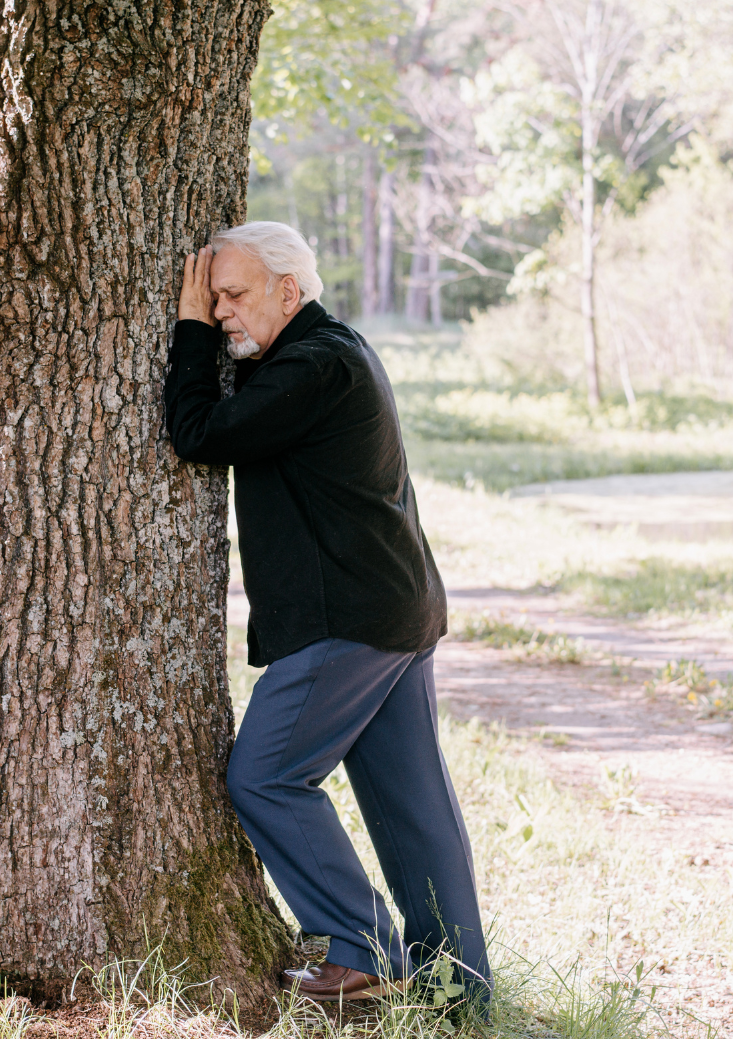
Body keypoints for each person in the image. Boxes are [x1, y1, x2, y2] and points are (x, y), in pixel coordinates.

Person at [162, 222, 490, 1005]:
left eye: (234, 296)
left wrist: (187, 331)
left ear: (288, 288)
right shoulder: (331, 350)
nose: (223, 314)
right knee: (414, 809)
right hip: (394, 606)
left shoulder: (313, 365)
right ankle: (460, 994)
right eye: (213, 302)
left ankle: (363, 948)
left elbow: (197, 431)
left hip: (352, 618)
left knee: (265, 776)